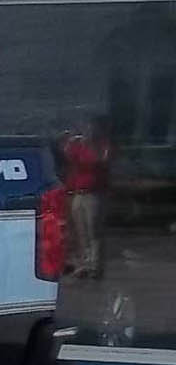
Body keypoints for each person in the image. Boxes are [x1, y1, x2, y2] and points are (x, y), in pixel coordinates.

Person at [59, 114, 112, 278]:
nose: (86, 131)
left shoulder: (101, 145)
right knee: (80, 230)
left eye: (89, 127)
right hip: (78, 192)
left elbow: (97, 161)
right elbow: (67, 157)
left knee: (93, 231)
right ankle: (84, 263)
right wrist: (70, 142)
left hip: (93, 193)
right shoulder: (78, 145)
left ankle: (95, 265)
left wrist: (86, 146)